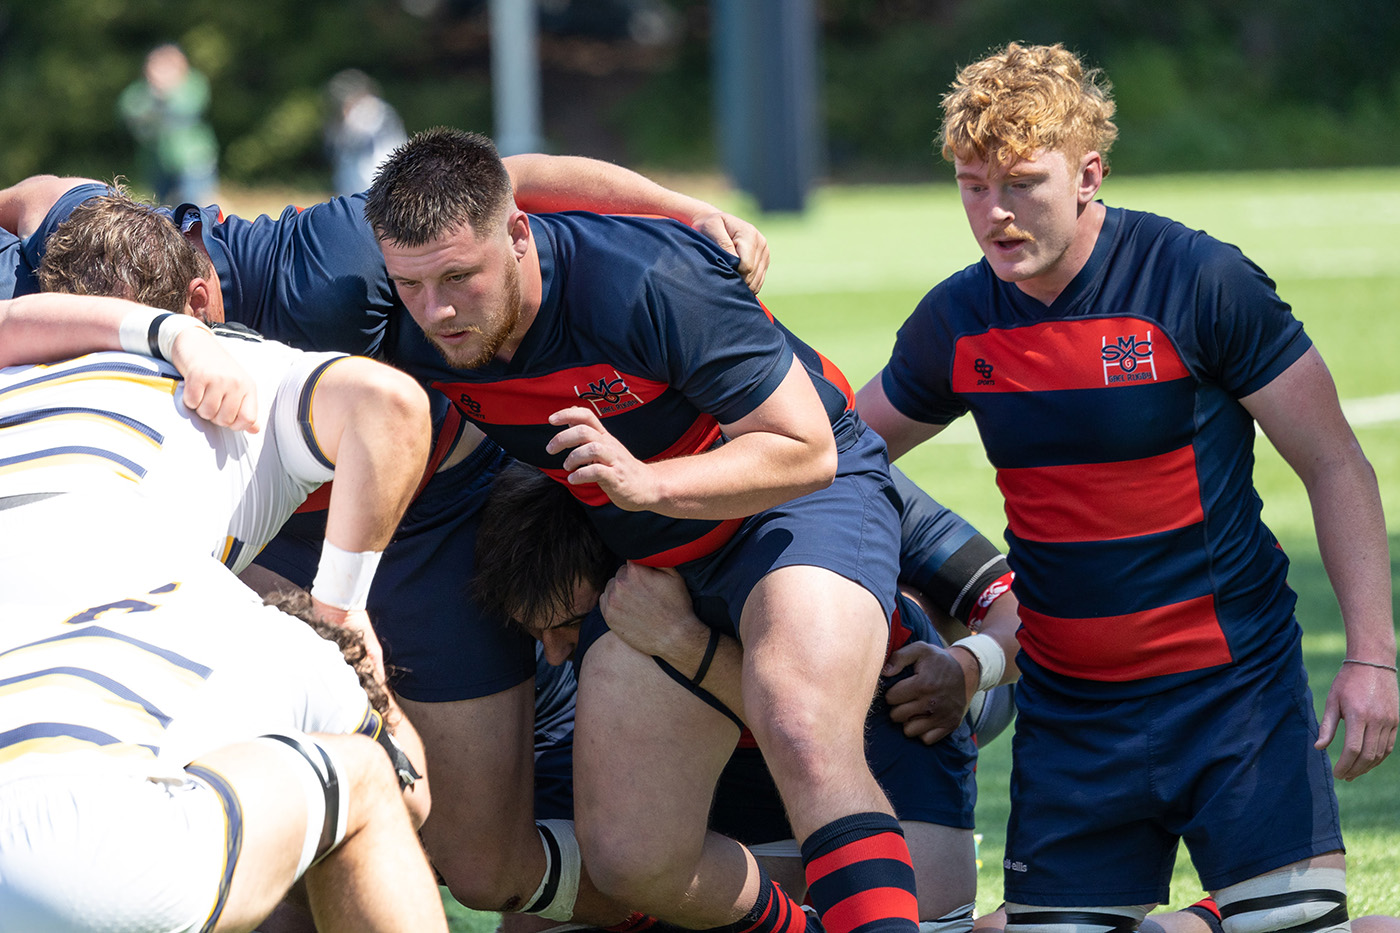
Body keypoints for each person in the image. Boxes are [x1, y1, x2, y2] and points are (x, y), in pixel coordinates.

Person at [0, 161, 773, 925]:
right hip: (250, 548)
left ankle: (703, 883)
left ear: (203, 299)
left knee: (480, 865)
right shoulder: (56, 256)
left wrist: (678, 207)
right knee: (298, 839)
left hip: (421, 521)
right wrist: (161, 334)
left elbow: (505, 180)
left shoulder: (327, 267)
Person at [853, 41, 1398, 933]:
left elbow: (1336, 460)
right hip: (1073, 716)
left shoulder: (1199, 281)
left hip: (1234, 695)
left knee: (1298, 930)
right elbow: (836, 452)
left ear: (1089, 174)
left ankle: (1213, 921)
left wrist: (1371, 655)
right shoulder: (957, 320)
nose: (996, 214)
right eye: (972, 184)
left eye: (1023, 182)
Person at [363, 127, 917, 933]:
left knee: (800, 718)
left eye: (459, 277)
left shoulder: (652, 278)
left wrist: (648, 483)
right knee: (630, 857)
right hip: (654, 560)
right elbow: (521, 168)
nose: (437, 310)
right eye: (410, 284)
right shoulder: (397, 292)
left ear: (518, 234)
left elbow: (806, 450)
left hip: (790, 509)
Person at [474, 459, 1022, 933]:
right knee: (549, 905)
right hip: (728, 757)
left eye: (568, 625)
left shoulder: (834, 474)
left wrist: (972, 666)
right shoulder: (577, 590)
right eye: (533, 633)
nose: (551, 653)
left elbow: (1025, 611)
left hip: (888, 722)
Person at [118, 43, 219, 205]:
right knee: (163, 207)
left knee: (193, 205)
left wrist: (164, 93)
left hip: (192, 158)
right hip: (155, 160)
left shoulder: (192, 84)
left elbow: (188, 108)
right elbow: (129, 112)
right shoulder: (140, 91)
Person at [325, 68, 408, 196]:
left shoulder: (370, 109)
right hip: (380, 176)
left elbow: (351, 141)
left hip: (373, 175)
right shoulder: (380, 108)